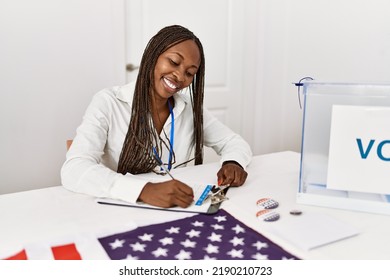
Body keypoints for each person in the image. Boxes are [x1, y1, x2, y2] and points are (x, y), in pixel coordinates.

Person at [61, 25, 252, 208]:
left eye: (190, 73)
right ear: (153, 56)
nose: (179, 75)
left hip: (178, 208)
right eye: (174, 62)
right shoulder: (109, 102)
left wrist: (233, 162)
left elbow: (233, 142)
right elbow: (74, 169)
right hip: (122, 209)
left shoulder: (189, 108)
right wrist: (144, 190)